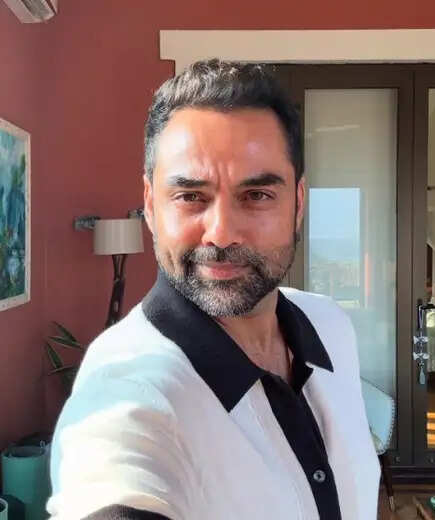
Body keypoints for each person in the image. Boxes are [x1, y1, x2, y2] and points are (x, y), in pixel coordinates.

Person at [47, 59, 380, 520]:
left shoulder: (330, 326)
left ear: (299, 204)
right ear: (150, 206)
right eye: (190, 196)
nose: (221, 233)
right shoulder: (129, 392)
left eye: (257, 195)